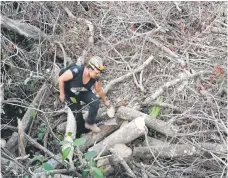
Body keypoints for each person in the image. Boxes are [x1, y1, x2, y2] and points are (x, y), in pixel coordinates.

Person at [58, 56, 110, 136]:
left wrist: (105, 101)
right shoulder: (76, 71)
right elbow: (61, 79)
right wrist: (62, 94)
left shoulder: (95, 78)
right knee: (77, 114)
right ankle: (80, 131)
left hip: (82, 91)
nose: (97, 75)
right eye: (96, 72)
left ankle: (90, 123)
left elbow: (99, 90)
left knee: (95, 102)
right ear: (89, 68)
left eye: (99, 73)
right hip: (70, 94)